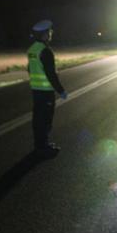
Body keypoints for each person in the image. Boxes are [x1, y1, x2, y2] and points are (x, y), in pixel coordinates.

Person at [27, 20, 67, 157]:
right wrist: (61, 90)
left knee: (37, 119)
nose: (51, 34)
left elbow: (30, 68)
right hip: (46, 92)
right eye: (49, 32)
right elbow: (51, 74)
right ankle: (44, 148)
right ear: (44, 35)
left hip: (35, 90)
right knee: (46, 120)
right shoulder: (46, 51)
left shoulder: (32, 49)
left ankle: (39, 145)